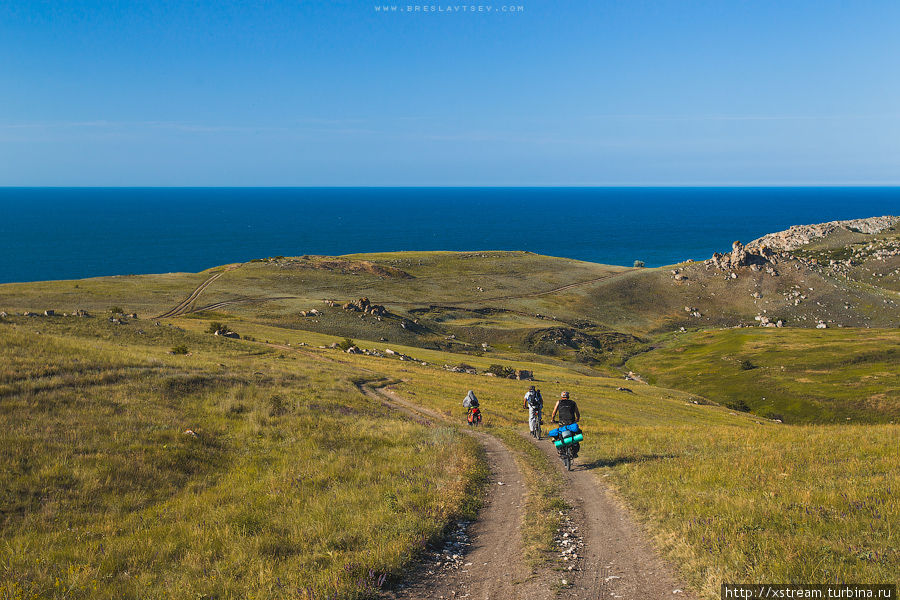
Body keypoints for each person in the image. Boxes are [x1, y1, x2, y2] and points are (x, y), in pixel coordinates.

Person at [550, 391, 580, 456]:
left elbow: (554, 412)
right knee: (575, 434)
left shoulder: (559, 402)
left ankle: (560, 449)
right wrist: (577, 419)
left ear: (561, 397)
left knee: (559, 436)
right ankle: (574, 451)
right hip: (571, 423)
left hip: (562, 423)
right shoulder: (573, 402)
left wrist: (553, 419)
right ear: (568, 396)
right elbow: (577, 413)